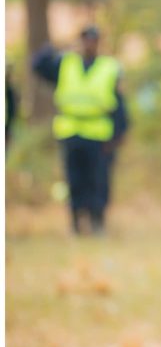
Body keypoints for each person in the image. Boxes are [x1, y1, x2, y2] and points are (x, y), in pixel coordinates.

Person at [33, 25, 129, 235]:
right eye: (85, 39)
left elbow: (119, 104)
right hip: (71, 132)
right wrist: (58, 46)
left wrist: (119, 133)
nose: (88, 44)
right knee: (74, 180)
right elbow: (37, 65)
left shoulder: (109, 68)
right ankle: (76, 223)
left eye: (92, 40)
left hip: (98, 134)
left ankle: (97, 223)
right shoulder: (65, 64)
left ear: (98, 43)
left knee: (98, 180)